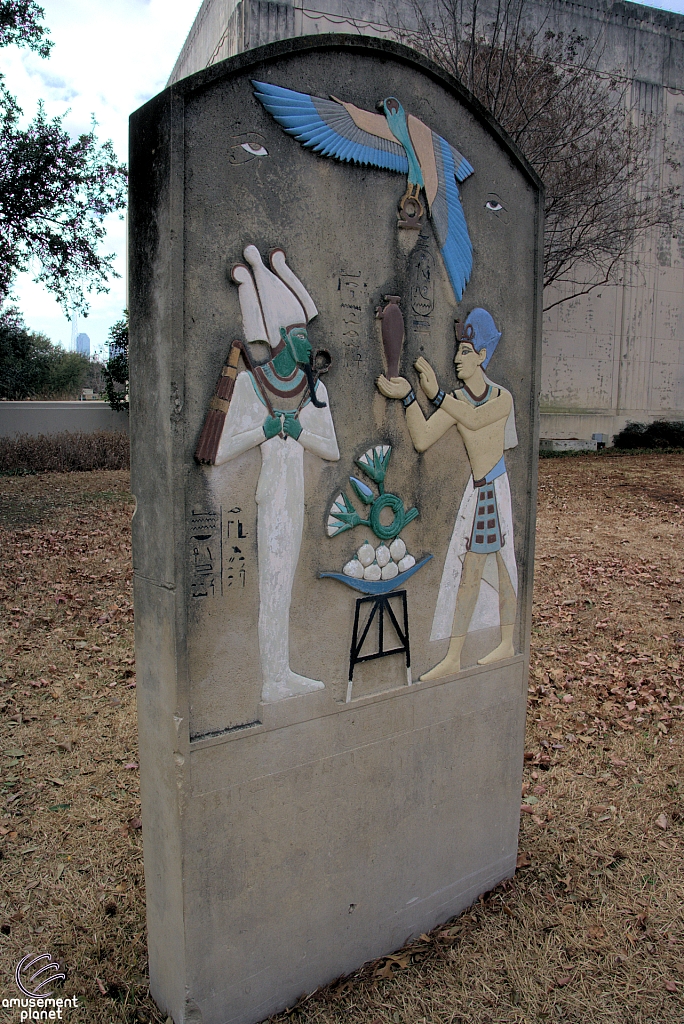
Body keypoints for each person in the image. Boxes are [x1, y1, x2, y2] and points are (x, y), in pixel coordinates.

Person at [214, 245, 339, 702]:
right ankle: (272, 678)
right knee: (272, 584)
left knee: (284, 584)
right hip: (270, 497)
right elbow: (221, 449)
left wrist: (298, 430)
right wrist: (265, 429)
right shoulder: (251, 384)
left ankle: (281, 672)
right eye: (303, 336)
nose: (311, 343)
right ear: (284, 340)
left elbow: (331, 447)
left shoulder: (314, 390)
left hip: (296, 495)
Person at [376, 308, 517, 678]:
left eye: (465, 351)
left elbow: (474, 418)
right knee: (470, 571)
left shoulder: (502, 398)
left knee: (504, 570)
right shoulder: (456, 399)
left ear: (483, 356)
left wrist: (436, 395)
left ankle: (506, 643)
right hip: (479, 493)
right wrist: (409, 398)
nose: (457, 358)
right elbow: (422, 438)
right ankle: (455, 656)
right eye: (457, 351)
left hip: (496, 490)